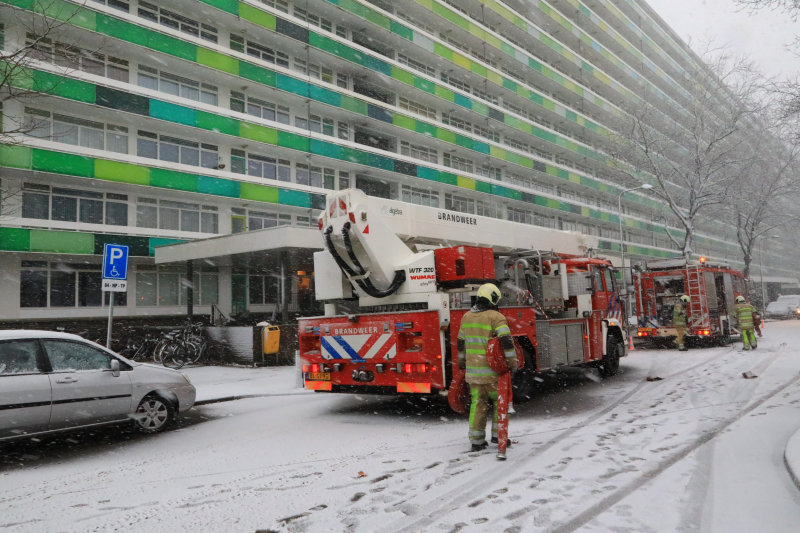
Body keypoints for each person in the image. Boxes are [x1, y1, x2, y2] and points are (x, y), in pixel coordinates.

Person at [457, 283, 518, 453]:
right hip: (494, 373)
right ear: (492, 298)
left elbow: (461, 343)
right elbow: (506, 341)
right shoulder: (497, 317)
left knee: (478, 404)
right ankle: (499, 437)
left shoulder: (466, 317)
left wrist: (462, 363)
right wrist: (512, 361)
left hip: (473, 374)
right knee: (500, 403)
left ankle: (477, 441)